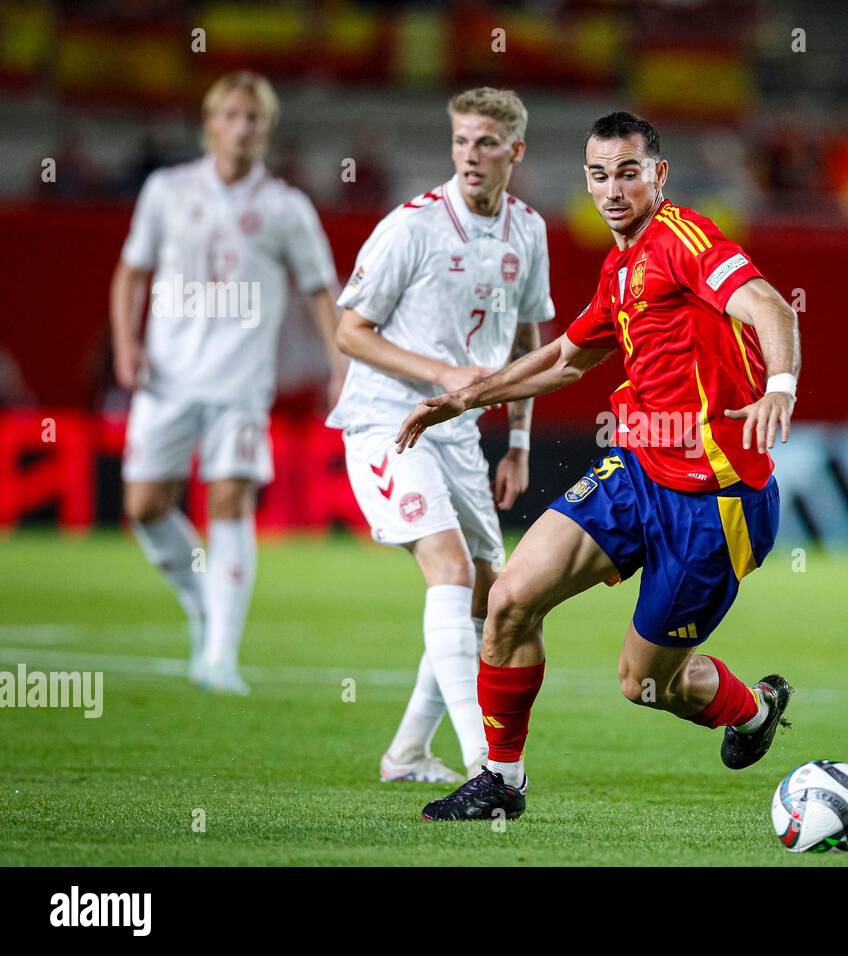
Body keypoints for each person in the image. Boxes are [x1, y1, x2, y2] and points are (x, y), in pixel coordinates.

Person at [397, 111, 801, 821]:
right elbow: (564, 359)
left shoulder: (685, 241)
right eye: (599, 174)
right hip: (637, 473)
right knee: (511, 598)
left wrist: (780, 387)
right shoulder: (619, 267)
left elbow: (771, 307)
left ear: (658, 175)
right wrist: (465, 398)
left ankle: (755, 709)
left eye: (627, 172)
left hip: (716, 502)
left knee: (645, 684)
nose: (612, 188)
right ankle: (500, 781)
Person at [328, 88, 552, 784]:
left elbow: (525, 336)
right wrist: (439, 372)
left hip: (459, 432)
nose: (470, 155)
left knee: (485, 597)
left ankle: (405, 754)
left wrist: (517, 442)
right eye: (460, 141)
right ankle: (483, 761)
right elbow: (349, 331)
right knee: (451, 572)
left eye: (486, 143)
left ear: (515, 150)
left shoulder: (529, 230)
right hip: (387, 420)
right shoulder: (412, 227)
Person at [110, 71, 342, 695]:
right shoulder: (166, 190)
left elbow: (324, 293)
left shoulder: (285, 208)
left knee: (229, 500)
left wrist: (339, 366)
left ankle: (219, 656)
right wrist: (127, 344)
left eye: (255, 119)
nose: (243, 128)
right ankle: (201, 600)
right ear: (211, 122)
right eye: (233, 115)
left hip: (241, 384)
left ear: (267, 131)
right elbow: (130, 273)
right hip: (166, 378)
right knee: (144, 506)